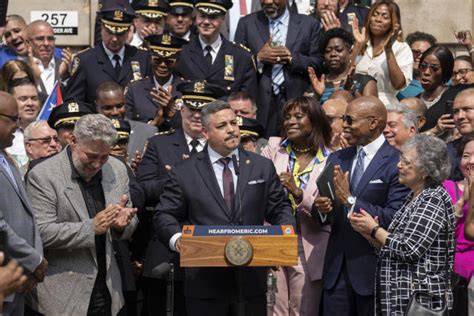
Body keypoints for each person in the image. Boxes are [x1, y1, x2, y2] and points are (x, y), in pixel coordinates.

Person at [153, 100, 295, 316]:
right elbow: (165, 214)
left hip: (251, 280)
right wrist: (178, 240)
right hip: (204, 282)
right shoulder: (185, 171)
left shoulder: (261, 166)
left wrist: (282, 238)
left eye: (233, 123)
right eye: (222, 126)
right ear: (205, 132)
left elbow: (279, 207)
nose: (231, 130)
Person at [27, 114, 138, 315]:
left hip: (108, 290)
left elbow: (129, 219)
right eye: (91, 156)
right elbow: (40, 232)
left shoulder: (118, 169)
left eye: (104, 156)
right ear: (73, 141)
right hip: (62, 295)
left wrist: (122, 226)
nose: (97, 164)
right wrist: (91, 228)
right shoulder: (43, 176)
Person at [313, 96, 410, 316]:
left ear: (373, 122)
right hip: (336, 271)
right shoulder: (337, 158)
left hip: (373, 270)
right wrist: (322, 209)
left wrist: (351, 201)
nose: (344, 125)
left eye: (350, 120)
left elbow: (394, 217)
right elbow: (324, 211)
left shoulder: (397, 162)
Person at [136, 81, 226, 315]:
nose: (197, 115)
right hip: (167, 251)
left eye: (203, 111)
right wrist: (176, 179)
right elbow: (142, 189)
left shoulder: (225, 148)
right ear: (180, 109)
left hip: (212, 248)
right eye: (191, 109)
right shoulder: (159, 143)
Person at [349, 135, 455, 315]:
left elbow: (409, 248)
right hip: (398, 301)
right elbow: (393, 247)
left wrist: (375, 230)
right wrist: (369, 234)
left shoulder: (432, 199)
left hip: (419, 302)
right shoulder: (413, 196)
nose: (399, 165)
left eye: (406, 162)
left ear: (425, 171)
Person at [261, 96, 331, 316]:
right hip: (275, 237)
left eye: (298, 116)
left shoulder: (331, 158)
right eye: (287, 117)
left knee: (303, 308)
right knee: (274, 308)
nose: (290, 121)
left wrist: (298, 193)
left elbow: (326, 208)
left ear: (315, 121)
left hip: (309, 241)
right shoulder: (273, 150)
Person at [235, 0, 323, 136]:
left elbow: (318, 64)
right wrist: (258, 59)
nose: (268, 2)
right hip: (261, 102)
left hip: (296, 100)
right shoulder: (247, 24)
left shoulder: (309, 24)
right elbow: (236, 65)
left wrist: (291, 58)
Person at [0, 91, 47, 316]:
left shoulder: (7, 160)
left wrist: (30, 267)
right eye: (13, 120)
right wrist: (34, 260)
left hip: (17, 280)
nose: (18, 127)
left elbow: (27, 217)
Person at [65, 2, 152, 104]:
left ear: (129, 31)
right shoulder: (85, 60)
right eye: (110, 32)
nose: (114, 39)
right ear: (102, 27)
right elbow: (74, 102)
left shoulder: (142, 57)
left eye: (120, 33)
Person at [175, 0, 258, 101]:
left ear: (223, 18)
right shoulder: (181, 52)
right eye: (202, 16)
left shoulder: (240, 56)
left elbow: (246, 100)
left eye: (212, 17)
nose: (206, 22)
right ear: (195, 17)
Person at [353, 0, 413, 106]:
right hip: (355, 102)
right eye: (375, 15)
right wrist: (358, 46)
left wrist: (388, 49)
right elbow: (346, 73)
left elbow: (399, 84)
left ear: (393, 23)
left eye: (385, 17)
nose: (378, 20)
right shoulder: (362, 43)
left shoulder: (401, 48)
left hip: (385, 105)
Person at [125, 33, 187, 127]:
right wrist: (153, 124)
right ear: (150, 59)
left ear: (177, 62)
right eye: (157, 60)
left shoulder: (186, 90)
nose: (162, 65)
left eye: (169, 62)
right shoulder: (134, 89)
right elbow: (127, 125)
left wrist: (172, 114)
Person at [442, 133, 474, 315]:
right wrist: (462, 202)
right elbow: (441, 232)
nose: (470, 161)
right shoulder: (446, 188)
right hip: (452, 268)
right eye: (465, 156)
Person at [309, 27, 377, 103]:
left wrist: (352, 91)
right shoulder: (317, 84)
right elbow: (305, 112)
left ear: (350, 52)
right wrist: (317, 96)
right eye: (328, 51)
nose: (333, 54)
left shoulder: (365, 81)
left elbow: (371, 111)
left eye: (339, 50)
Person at [96, 80, 157, 164]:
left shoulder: (148, 133)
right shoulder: (88, 133)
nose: (115, 112)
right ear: (97, 106)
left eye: (119, 106)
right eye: (108, 108)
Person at [417, 46, 455, 135]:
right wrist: (434, 130)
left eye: (434, 68)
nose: (426, 72)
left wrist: (471, 48)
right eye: (423, 66)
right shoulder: (414, 101)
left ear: (445, 71)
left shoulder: (455, 95)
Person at [27, 20, 72, 96]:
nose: (46, 43)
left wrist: (64, 75)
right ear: (28, 42)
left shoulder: (64, 68)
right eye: (40, 39)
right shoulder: (22, 67)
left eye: (50, 39)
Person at [6, 78, 42, 169]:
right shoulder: (3, 134)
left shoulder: (50, 131)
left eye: (34, 98)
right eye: (23, 99)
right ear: (12, 101)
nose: (30, 103)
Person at [397, 31, 437, 100]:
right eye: (415, 52)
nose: (420, 56)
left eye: (426, 53)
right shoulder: (398, 81)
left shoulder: (444, 82)